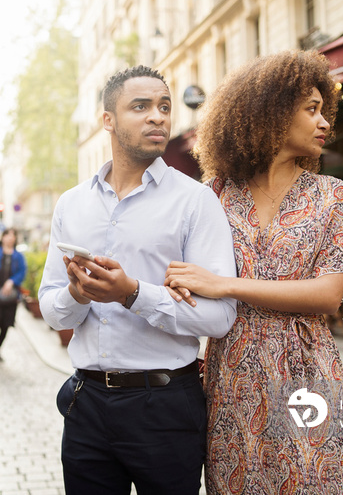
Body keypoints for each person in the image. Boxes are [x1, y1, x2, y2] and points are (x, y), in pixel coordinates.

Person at [164, 50, 343, 494]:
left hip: (307, 369)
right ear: (272, 114)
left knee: (316, 480)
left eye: (325, 112)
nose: (324, 123)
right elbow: (180, 275)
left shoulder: (335, 196)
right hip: (232, 374)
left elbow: (328, 295)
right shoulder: (213, 196)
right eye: (311, 110)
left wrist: (223, 285)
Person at [39, 65, 238, 495]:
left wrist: (132, 294)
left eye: (165, 107)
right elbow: (52, 309)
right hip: (86, 404)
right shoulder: (71, 205)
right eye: (141, 106)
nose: (158, 116)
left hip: (164, 406)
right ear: (107, 120)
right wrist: (77, 294)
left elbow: (220, 318)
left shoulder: (196, 202)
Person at [0, 229, 27, 361]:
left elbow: (22, 272)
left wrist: (11, 281)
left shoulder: (18, 256)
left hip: (11, 295)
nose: (10, 238)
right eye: (7, 235)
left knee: (5, 324)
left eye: (13, 235)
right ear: (2, 237)